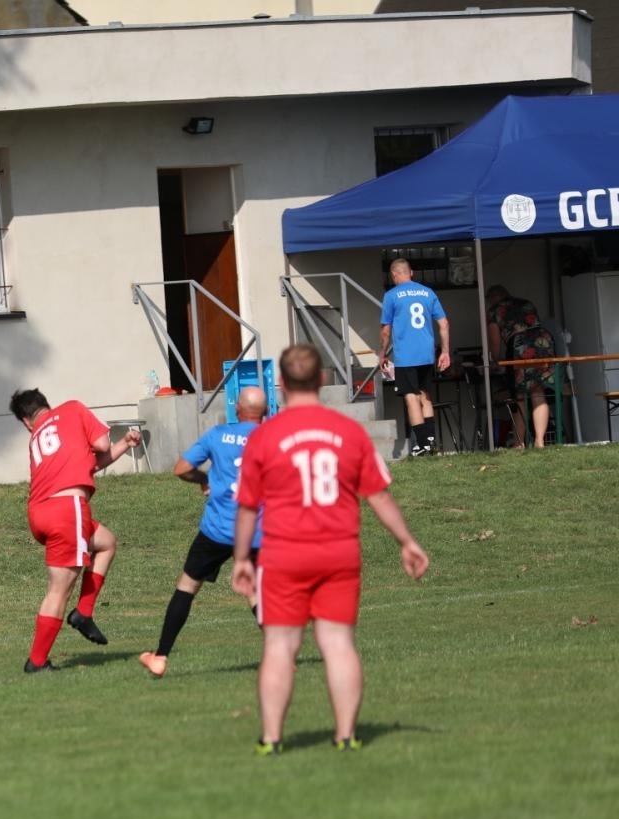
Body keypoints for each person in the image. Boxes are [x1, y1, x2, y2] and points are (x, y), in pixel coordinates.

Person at [230, 344, 430, 755]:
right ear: (322, 379)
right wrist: (407, 541)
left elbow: (248, 505)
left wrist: (240, 559)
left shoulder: (264, 436)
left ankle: (271, 739)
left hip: (283, 554)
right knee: (337, 643)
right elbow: (379, 496)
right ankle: (345, 734)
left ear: (281, 384)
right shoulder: (348, 433)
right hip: (338, 553)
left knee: (280, 646)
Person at [139, 387, 269, 679]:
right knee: (255, 591)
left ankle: (160, 657)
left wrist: (205, 478)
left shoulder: (218, 434)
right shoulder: (274, 437)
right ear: (266, 412)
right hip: (257, 531)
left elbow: (181, 468)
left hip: (217, 530)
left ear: (238, 410)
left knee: (187, 587)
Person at [8, 388, 140, 674]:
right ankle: (37, 661)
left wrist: (125, 445)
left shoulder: (37, 438)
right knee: (59, 590)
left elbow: (90, 463)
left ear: (26, 421)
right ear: (46, 405)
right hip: (67, 509)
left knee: (106, 543)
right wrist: (114, 440)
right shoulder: (71, 409)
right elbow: (101, 443)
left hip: (40, 511)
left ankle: (84, 613)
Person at [379, 259, 451, 457]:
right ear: (412, 273)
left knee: (411, 397)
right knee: (425, 395)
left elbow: (386, 331)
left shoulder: (391, 295)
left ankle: (422, 445)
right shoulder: (428, 292)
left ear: (394, 276)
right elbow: (444, 323)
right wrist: (445, 351)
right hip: (426, 354)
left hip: (406, 356)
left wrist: (382, 353)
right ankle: (429, 441)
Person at [486, 285, 558, 448]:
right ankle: (539, 441)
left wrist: (495, 360)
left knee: (520, 396)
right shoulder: (526, 303)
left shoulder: (494, 311)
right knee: (538, 392)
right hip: (543, 341)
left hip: (520, 345)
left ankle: (519, 442)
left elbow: (494, 342)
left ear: (492, 298)